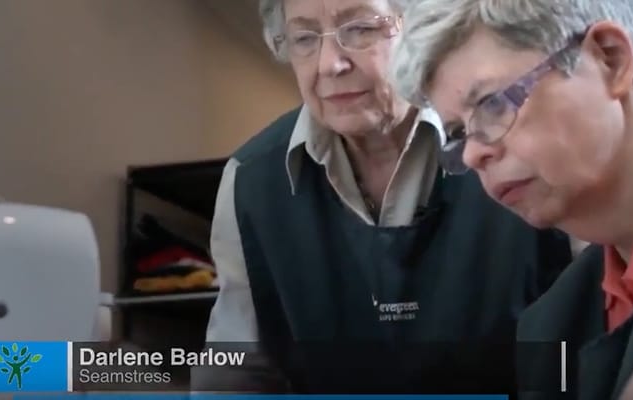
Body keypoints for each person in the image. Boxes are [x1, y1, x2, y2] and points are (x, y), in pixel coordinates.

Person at [190, 0, 573, 394]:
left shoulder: (511, 137)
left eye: (360, 29)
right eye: (304, 38)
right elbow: (236, 372)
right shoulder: (251, 180)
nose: (329, 65)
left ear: (421, 27)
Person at [390, 0, 633, 399]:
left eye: (493, 104)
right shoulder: (551, 325)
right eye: (458, 132)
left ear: (610, 60)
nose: (471, 155)